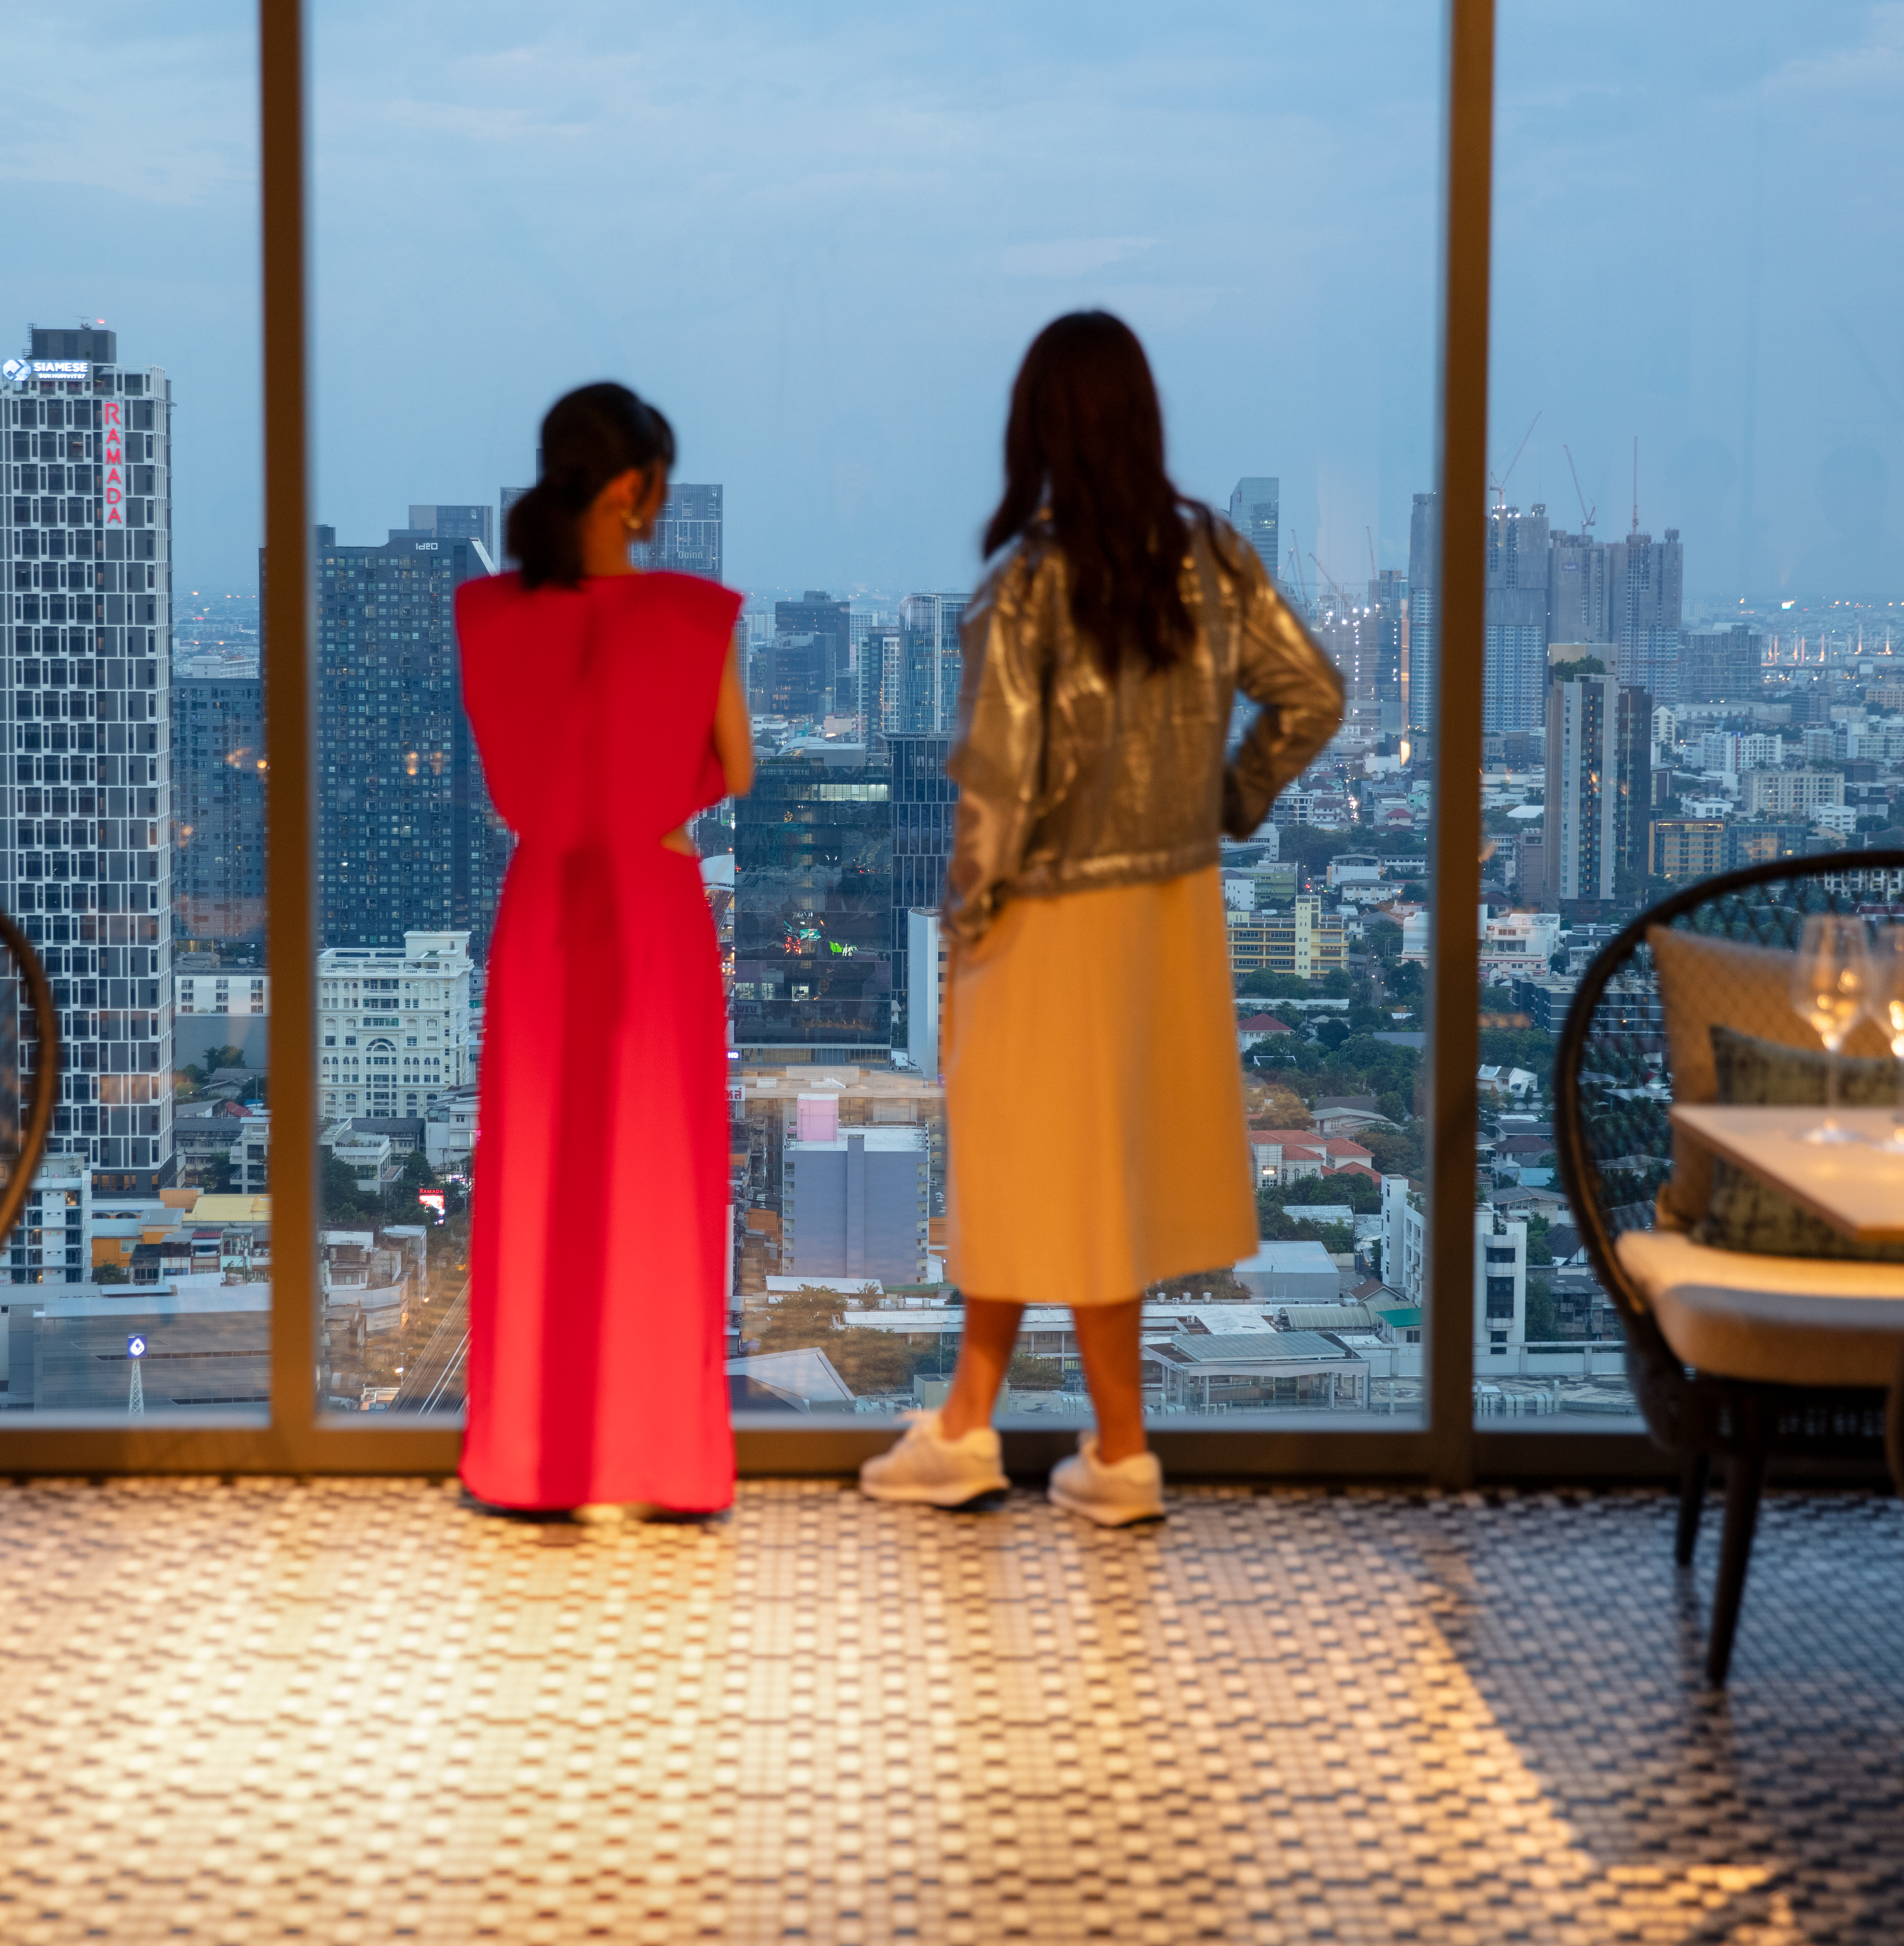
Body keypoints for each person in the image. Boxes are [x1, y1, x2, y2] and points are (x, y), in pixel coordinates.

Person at [860, 312, 1343, 1525]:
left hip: (1049, 923)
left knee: (1032, 1167)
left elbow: (998, 792)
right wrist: (1229, 799)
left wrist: (965, 926)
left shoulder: (1026, 586)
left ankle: (996, 1434)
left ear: (1036, 427)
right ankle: (1102, 1445)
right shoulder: (1214, 558)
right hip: (1170, 914)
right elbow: (1314, 697)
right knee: (1102, 1173)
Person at [455, 382, 753, 1520]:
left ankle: (536, 1459)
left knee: (541, 1181)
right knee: (661, 1183)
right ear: (634, 488)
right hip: (656, 904)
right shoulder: (695, 619)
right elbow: (738, 764)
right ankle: (664, 1464)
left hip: (543, 909)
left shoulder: (490, 615)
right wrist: (664, 800)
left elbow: (508, 784)